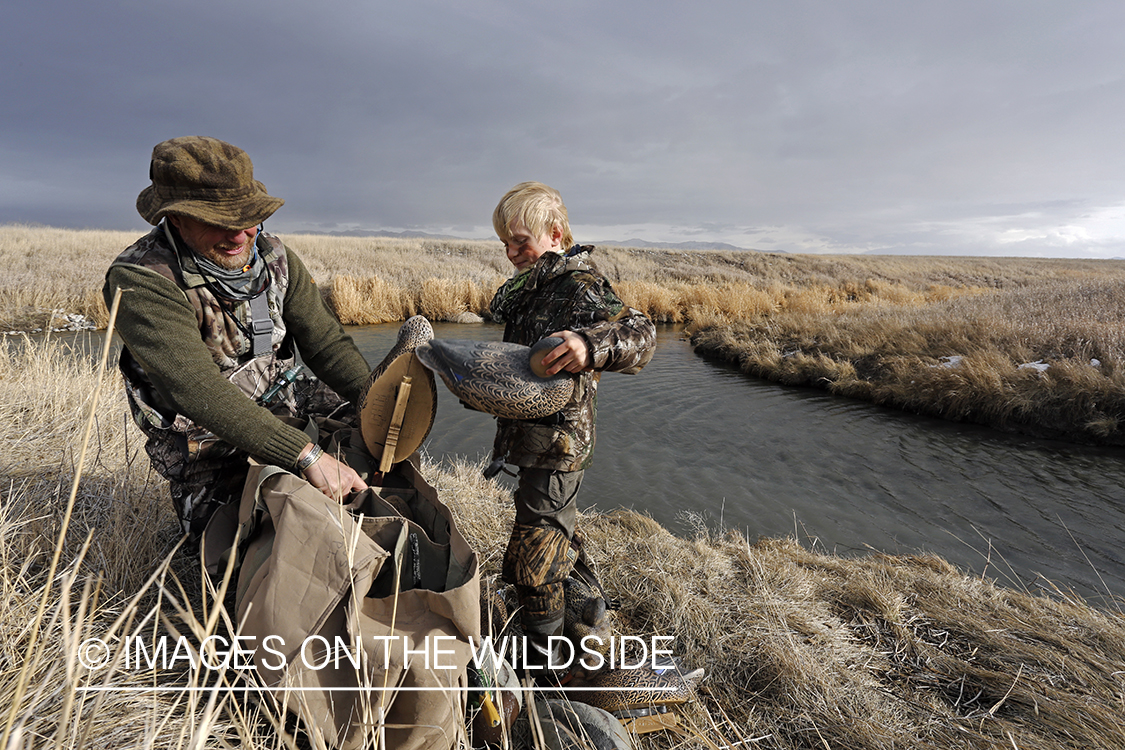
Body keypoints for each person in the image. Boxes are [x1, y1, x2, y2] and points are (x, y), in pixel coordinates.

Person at [104, 136, 369, 551]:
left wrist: (376, 401)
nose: (239, 234)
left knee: (378, 449)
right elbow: (195, 389)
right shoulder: (141, 279)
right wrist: (308, 456)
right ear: (175, 218)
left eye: (248, 218)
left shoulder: (276, 257)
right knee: (251, 549)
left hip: (283, 400)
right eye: (218, 222)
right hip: (204, 439)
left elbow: (328, 345)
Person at [488, 182, 656, 665]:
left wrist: (590, 345)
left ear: (556, 232)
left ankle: (547, 663)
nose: (511, 251)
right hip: (530, 438)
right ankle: (590, 614)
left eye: (521, 240)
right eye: (505, 242)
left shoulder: (579, 286)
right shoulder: (531, 288)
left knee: (535, 558)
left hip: (559, 444)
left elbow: (641, 334)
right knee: (554, 533)